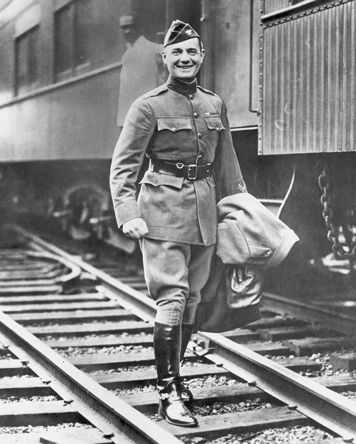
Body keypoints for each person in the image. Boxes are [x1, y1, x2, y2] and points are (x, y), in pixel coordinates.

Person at [110, 20, 246, 427]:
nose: (185, 59)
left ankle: (175, 378)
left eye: (192, 53)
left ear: (201, 58)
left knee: (193, 298)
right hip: (162, 210)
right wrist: (129, 214)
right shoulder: (148, 106)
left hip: (204, 213)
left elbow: (228, 165)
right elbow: (123, 168)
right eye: (177, 53)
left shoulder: (213, 103)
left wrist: (241, 207)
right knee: (173, 296)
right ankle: (168, 391)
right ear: (164, 58)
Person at [116, 14, 166, 127]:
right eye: (124, 28)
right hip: (130, 116)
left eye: (130, 27)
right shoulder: (127, 54)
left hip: (146, 113)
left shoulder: (150, 47)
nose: (127, 31)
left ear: (137, 28)